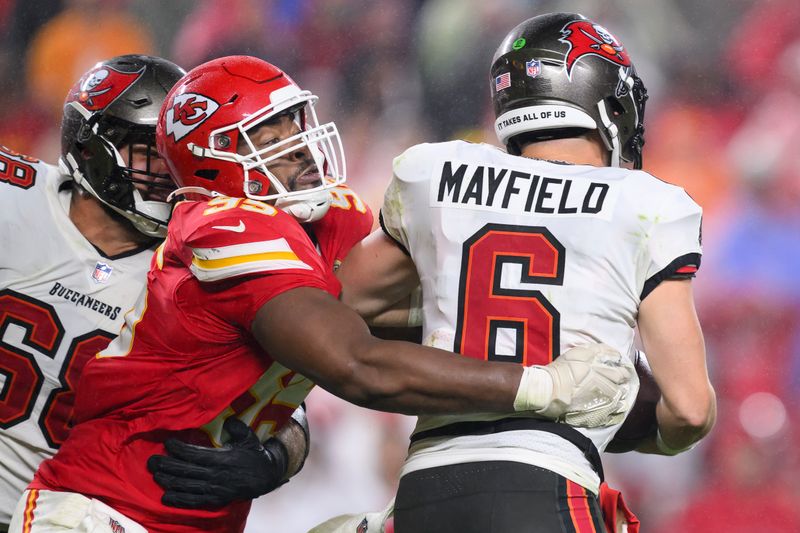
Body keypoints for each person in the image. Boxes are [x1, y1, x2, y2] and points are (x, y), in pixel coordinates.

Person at [8, 56, 637, 533]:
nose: (300, 147)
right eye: (269, 135)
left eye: (296, 124)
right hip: (94, 511)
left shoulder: (316, 219)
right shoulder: (221, 226)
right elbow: (355, 364)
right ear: (211, 160)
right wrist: (545, 385)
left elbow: (440, 307)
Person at [324, 12, 717, 532]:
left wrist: (451, 314)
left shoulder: (437, 175)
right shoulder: (647, 205)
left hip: (424, 489)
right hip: (546, 479)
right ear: (604, 100)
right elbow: (689, 409)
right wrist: (637, 421)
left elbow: (338, 301)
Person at [0, 55, 186, 532]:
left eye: (180, 158)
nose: (171, 174)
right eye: (153, 152)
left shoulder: (194, 268)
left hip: (61, 519)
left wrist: (276, 453)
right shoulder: (13, 199)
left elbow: (279, 394)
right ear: (92, 148)